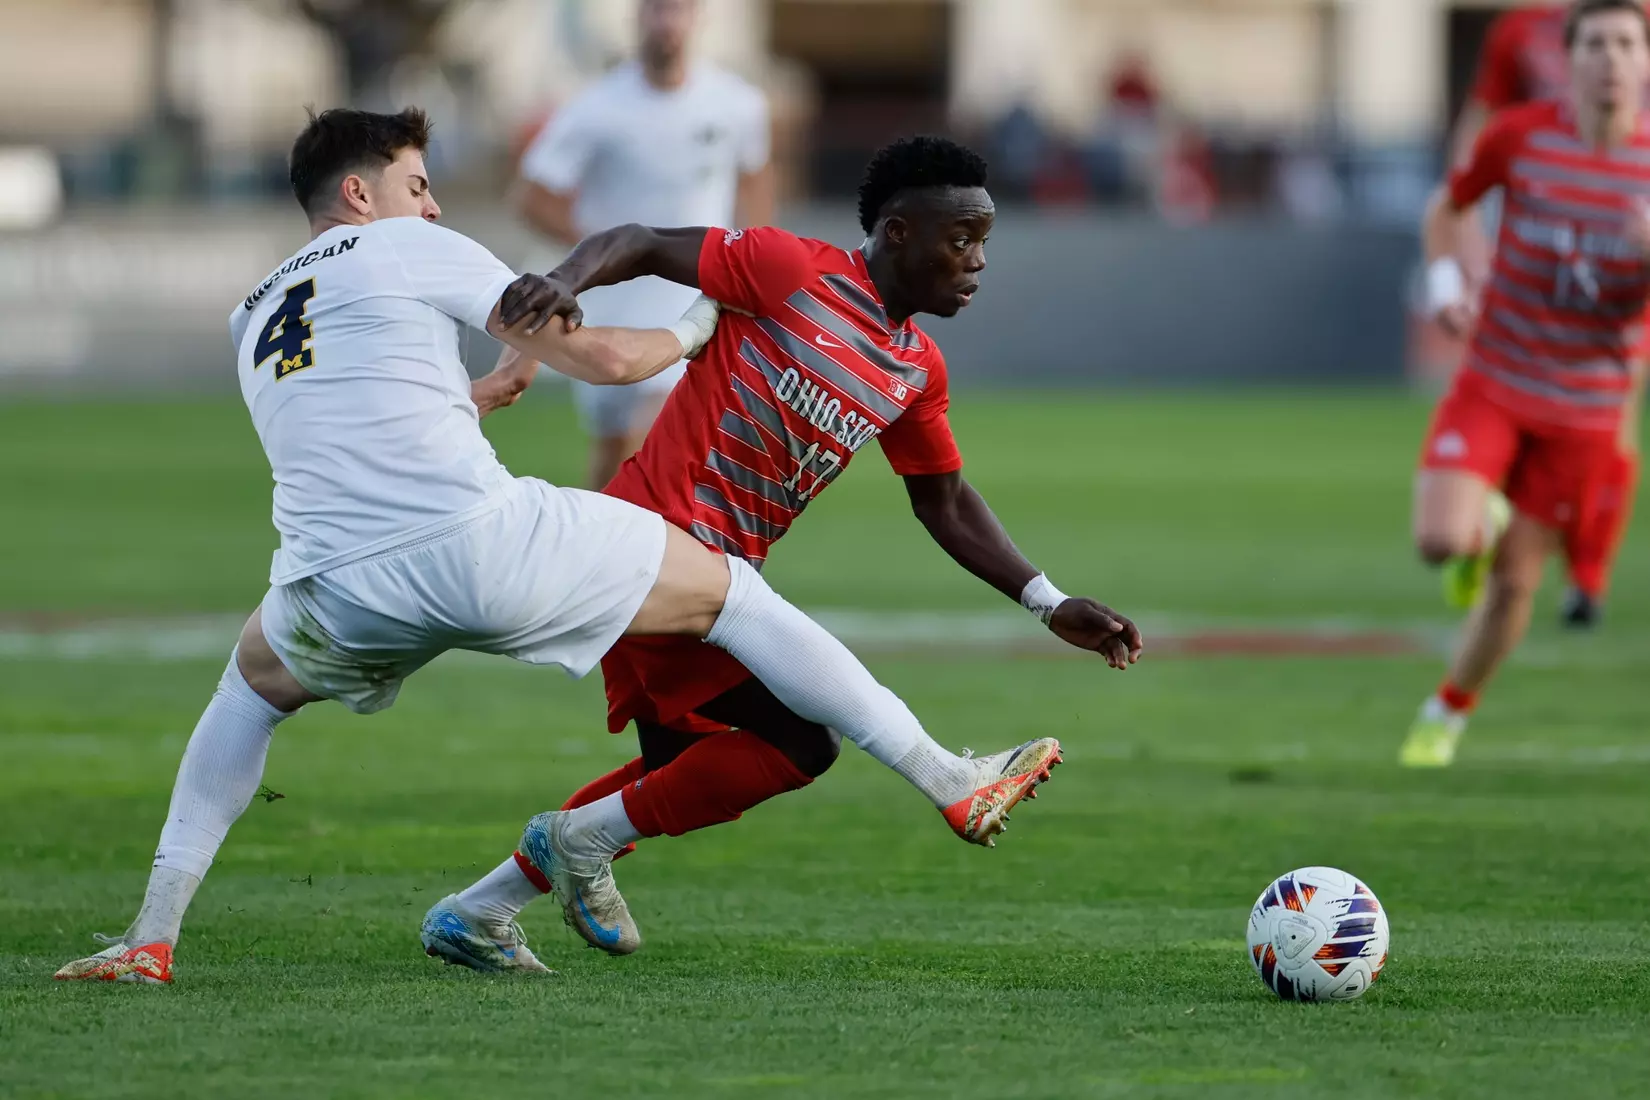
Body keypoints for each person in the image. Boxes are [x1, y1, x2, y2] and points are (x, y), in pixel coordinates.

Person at [52, 109, 1093, 985]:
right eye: (419, 183)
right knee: (738, 602)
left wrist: (472, 396)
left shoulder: (253, 311)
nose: (436, 204)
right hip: (488, 546)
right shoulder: (414, 242)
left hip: (331, 581)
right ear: (363, 194)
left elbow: (348, 425)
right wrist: (687, 333)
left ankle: (152, 934)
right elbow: (597, 354)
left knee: (247, 691)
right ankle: (948, 777)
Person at [424, 135, 1145, 972]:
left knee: (677, 774)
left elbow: (941, 499)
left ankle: (478, 912)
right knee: (800, 744)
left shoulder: (915, 367)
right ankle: (946, 779)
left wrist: (1049, 602)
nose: (978, 260)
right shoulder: (788, 269)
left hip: (712, 578)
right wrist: (566, 281)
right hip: (654, 541)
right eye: (962, 239)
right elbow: (646, 241)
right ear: (901, 232)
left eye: (984, 241)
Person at [1404, 0, 1650, 768]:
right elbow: (1447, 207)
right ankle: (1479, 524)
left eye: (1625, 44)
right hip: (1498, 376)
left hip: (1584, 404)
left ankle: (1446, 711)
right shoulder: (1522, 135)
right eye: (1596, 45)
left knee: (1514, 589)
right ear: (1566, 59)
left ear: (1644, 61)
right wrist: (1449, 285)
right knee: (1439, 542)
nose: (1610, 59)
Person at [516, 0, 773, 488]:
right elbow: (532, 197)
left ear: (698, 17)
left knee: (657, 433)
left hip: (692, 300)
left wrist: (750, 266)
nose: (668, 22)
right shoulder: (595, 107)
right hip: (610, 304)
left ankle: (674, 557)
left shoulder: (737, 102)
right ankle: (602, 554)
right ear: (638, 16)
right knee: (613, 452)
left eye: (679, 9)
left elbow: (756, 180)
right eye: (657, 9)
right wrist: (606, 253)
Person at [1448, 0, 1641, 629]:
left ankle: (1588, 573)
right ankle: (1488, 519)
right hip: (1544, 232)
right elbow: (1479, 126)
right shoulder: (1520, 28)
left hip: (1624, 240)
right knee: (1514, 388)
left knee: (1613, 414)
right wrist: (1461, 244)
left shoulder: (1634, 23)